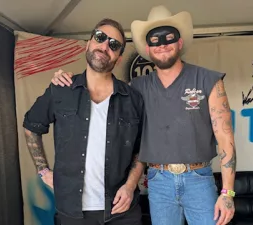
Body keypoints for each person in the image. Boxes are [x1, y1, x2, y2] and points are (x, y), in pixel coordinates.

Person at [51, 5, 237, 225]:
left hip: (199, 178)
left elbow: (225, 137)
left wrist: (228, 193)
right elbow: (99, 86)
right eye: (155, 40)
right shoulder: (136, 88)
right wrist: (67, 80)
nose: (162, 45)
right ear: (148, 49)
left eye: (169, 37)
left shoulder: (208, 80)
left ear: (180, 42)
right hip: (158, 180)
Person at [23, 18, 145, 225]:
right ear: (88, 43)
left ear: (120, 57)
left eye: (114, 45)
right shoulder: (61, 89)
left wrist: (130, 185)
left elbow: (142, 148)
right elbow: (32, 126)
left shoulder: (133, 99)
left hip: (121, 210)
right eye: (100, 38)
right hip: (72, 211)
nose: (105, 46)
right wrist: (43, 171)